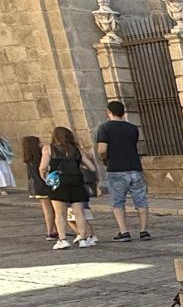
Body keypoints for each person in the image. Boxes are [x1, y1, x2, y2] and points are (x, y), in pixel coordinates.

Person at [96, 100, 152, 241]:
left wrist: (104, 159)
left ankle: (124, 231)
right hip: (134, 167)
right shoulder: (133, 128)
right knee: (141, 201)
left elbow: (102, 149)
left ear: (109, 112)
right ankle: (143, 230)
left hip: (116, 168)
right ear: (123, 112)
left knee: (118, 202)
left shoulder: (104, 128)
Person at [40, 126, 97, 249]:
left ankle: (62, 239)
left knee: (60, 213)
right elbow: (92, 167)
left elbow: (43, 167)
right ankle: (83, 238)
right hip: (76, 182)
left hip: (59, 183)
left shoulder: (49, 149)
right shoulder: (77, 150)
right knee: (79, 212)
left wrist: (45, 178)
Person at [22, 135, 57, 240]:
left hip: (35, 187)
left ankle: (53, 230)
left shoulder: (28, 158)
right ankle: (51, 231)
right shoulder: (39, 157)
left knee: (47, 209)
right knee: (51, 209)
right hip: (43, 185)